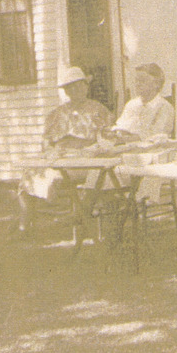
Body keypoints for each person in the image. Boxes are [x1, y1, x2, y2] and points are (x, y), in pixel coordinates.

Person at [16, 66, 113, 235]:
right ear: (66, 91)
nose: (76, 90)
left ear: (86, 87)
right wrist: (50, 151)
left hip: (85, 163)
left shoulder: (98, 110)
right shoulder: (58, 113)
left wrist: (91, 150)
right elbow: (46, 141)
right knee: (29, 173)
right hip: (59, 160)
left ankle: (75, 215)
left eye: (80, 85)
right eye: (71, 87)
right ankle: (24, 225)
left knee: (55, 176)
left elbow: (107, 140)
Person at [105, 63, 175, 143]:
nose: (137, 84)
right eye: (136, 80)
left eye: (142, 80)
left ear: (157, 84)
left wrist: (126, 139)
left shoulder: (164, 107)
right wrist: (113, 133)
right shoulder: (131, 105)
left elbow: (155, 136)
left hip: (152, 151)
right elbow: (120, 127)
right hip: (127, 150)